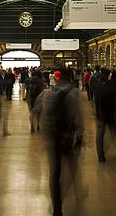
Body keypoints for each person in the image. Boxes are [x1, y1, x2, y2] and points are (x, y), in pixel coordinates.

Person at [43, 68, 84, 216]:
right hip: (67, 137)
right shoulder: (74, 93)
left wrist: (47, 136)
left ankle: (57, 206)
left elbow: (45, 117)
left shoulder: (50, 92)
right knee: (72, 167)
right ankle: (75, 193)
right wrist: (79, 136)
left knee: (55, 173)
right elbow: (77, 116)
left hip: (53, 138)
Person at [95, 70, 116, 162]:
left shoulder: (99, 86)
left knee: (100, 134)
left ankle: (100, 154)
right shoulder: (114, 85)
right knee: (113, 132)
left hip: (101, 113)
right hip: (111, 113)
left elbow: (96, 98)